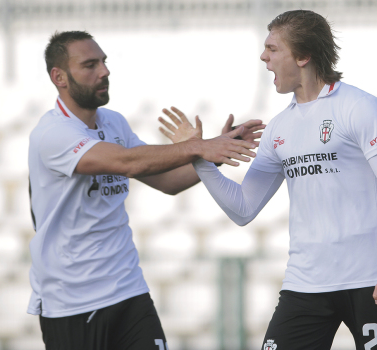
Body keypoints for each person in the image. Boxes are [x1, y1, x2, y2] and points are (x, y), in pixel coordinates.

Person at [160, 10, 377, 350]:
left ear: (303, 56)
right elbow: (243, 208)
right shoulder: (278, 129)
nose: (263, 57)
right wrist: (199, 156)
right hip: (305, 284)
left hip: (371, 280)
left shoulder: (359, 107)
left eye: (272, 48)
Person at [27, 30, 264, 350]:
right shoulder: (53, 133)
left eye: (104, 62)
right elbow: (128, 163)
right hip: (73, 301)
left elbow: (167, 181)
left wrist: (218, 154)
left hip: (128, 289)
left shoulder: (113, 123)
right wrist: (200, 147)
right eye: (90, 64)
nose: (105, 71)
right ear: (59, 77)